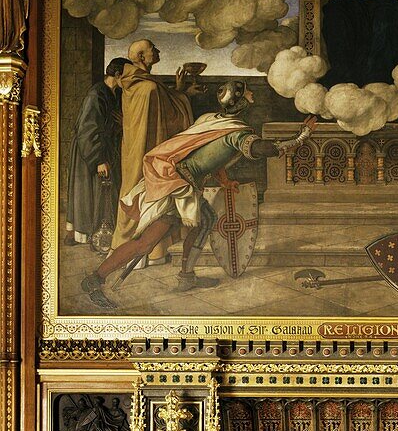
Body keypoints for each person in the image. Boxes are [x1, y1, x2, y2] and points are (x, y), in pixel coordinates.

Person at [82, 81, 315, 309]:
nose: (252, 96)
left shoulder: (211, 121)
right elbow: (267, 149)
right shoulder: (237, 133)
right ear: (239, 101)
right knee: (145, 243)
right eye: (248, 93)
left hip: (184, 185)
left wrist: (224, 180)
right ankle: (95, 279)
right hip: (176, 189)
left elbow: (210, 157)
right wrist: (302, 136)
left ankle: (186, 277)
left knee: (206, 221)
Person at [111, 39, 200, 264]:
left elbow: (163, 107)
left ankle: (151, 249)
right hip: (147, 149)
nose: (158, 51)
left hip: (136, 149)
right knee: (145, 192)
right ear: (142, 57)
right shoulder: (147, 86)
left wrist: (179, 91)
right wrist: (183, 97)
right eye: (154, 49)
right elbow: (169, 118)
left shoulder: (138, 82)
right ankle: (141, 251)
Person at [65, 58, 130, 247]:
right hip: (90, 151)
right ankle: (86, 235)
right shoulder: (96, 94)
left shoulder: (113, 93)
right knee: (87, 193)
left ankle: (102, 232)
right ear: (117, 75)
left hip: (102, 148)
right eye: (126, 76)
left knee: (103, 192)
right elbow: (88, 130)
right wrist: (99, 159)